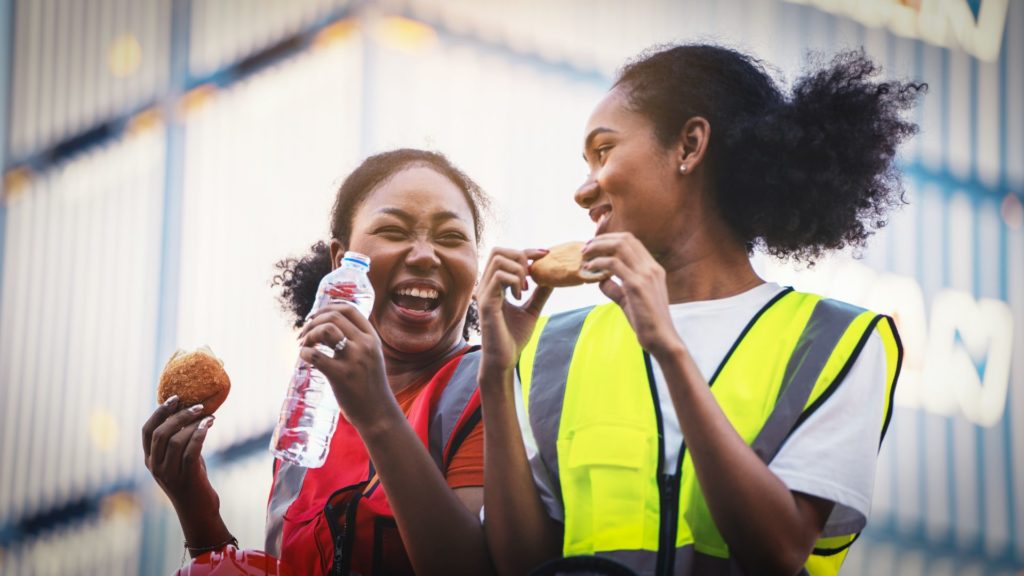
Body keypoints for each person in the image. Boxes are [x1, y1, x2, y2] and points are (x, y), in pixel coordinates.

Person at [477, 45, 923, 576]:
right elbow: (518, 565)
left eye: (605, 151)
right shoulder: (551, 349)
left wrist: (668, 347)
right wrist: (497, 377)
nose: (583, 190)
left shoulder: (838, 340)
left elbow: (778, 551)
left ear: (689, 145)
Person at [143, 149, 495, 576]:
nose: (424, 255)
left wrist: (378, 414)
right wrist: (197, 508)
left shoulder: (487, 390)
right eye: (393, 230)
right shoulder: (308, 419)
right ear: (339, 260)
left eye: (451, 237)